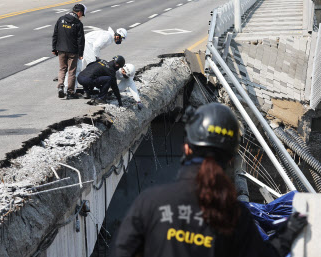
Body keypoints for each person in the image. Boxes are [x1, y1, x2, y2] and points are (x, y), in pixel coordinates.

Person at [113, 102, 307, 257]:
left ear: (187, 149)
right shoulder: (237, 216)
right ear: (230, 159)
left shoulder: (149, 203)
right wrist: (288, 233)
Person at [63, 27, 128, 93]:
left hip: (84, 44)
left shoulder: (109, 37)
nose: (120, 41)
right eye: (121, 39)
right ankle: (90, 87)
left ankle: (69, 88)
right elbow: (96, 46)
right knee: (93, 68)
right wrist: (97, 57)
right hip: (87, 46)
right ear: (118, 36)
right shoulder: (107, 37)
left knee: (77, 67)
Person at [52, 3, 86, 100]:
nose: (81, 17)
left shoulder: (61, 19)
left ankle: (60, 86)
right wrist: (81, 54)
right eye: (82, 14)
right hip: (73, 51)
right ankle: (70, 92)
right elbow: (81, 40)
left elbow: (55, 34)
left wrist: (54, 48)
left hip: (61, 49)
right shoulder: (78, 23)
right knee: (71, 71)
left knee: (62, 69)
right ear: (79, 12)